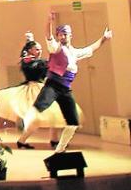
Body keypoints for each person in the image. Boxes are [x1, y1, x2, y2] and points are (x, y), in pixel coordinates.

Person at [19, 21, 113, 152]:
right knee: (39, 108)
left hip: (65, 89)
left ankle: (60, 148)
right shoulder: (57, 48)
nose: (62, 37)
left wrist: (104, 38)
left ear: (70, 35)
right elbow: (48, 36)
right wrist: (48, 22)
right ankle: (25, 129)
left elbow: (91, 48)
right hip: (52, 85)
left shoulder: (75, 53)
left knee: (73, 123)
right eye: (60, 35)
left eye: (64, 34)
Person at [0, 38, 70, 143]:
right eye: (36, 49)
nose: (39, 51)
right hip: (31, 89)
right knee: (27, 116)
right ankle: (13, 139)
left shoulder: (41, 61)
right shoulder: (27, 60)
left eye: (40, 49)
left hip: (42, 87)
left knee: (54, 112)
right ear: (30, 50)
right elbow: (32, 67)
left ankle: (54, 138)